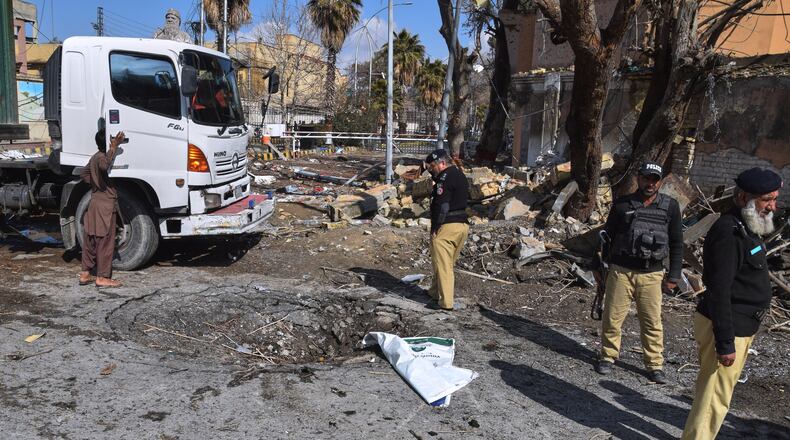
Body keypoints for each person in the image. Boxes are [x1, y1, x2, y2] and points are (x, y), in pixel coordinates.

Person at [682, 168, 781, 440]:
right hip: (727, 326)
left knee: (718, 394)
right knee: (714, 396)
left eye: (774, 198)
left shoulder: (748, 226)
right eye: (766, 199)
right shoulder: (729, 232)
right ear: (742, 198)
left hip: (742, 325)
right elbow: (719, 291)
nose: (772, 206)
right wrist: (725, 342)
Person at [595, 162, 683, 384]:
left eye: (655, 179)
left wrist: (673, 276)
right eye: (646, 178)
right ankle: (608, 356)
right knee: (612, 318)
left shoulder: (670, 206)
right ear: (638, 178)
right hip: (621, 272)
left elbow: (677, 243)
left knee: (652, 321)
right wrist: (602, 268)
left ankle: (655, 365)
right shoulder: (623, 204)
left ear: (660, 181)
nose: (650, 183)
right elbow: (607, 236)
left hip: (651, 274)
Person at [78, 130, 125, 288]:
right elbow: (105, 166)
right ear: (107, 142)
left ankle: (85, 274)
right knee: (105, 241)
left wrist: (96, 184)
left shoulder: (95, 156)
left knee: (90, 239)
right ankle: (102, 277)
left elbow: (83, 174)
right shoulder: (102, 157)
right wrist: (113, 147)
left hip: (94, 202)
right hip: (105, 205)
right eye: (111, 139)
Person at [424, 149, 469, 311]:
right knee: (444, 262)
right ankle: (434, 291)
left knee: (444, 266)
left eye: (432, 167)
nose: (431, 171)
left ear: (442, 163)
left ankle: (446, 303)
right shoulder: (459, 175)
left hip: (447, 226)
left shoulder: (444, 178)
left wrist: (436, 227)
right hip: (462, 226)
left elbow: (442, 205)